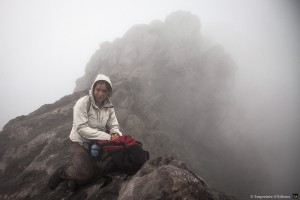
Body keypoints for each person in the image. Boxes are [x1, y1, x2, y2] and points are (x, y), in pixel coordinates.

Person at [48, 74, 122, 190]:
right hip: (80, 142)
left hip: (98, 141)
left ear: (108, 92)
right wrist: (108, 137)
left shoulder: (109, 106)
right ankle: (64, 172)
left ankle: (76, 182)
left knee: (114, 160)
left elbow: (113, 125)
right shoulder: (83, 103)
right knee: (86, 172)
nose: (101, 94)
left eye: (104, 91)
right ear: (93, 88)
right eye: (98, 89)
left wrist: (116, 134)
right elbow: (81, 128)